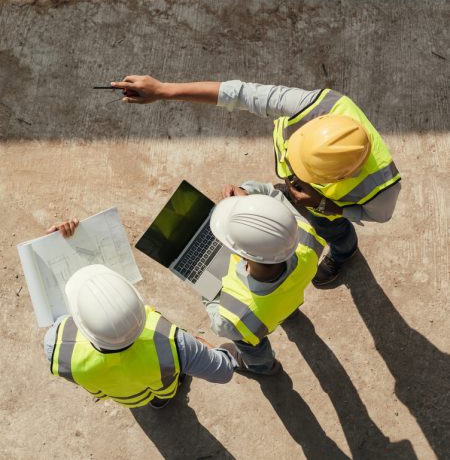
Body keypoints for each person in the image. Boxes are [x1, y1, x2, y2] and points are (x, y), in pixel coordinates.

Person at [110, 75, 401, 285]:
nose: (292, 174)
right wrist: (164, 90)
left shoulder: (382, 188)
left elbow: (378, 217)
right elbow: (240, 93)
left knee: (335, 232)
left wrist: (327, 207)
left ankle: (344, 253)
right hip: (314, 198)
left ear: (340, 175)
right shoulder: (313, 105)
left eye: (303, 173)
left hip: (326, 209)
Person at [45, 220, 238, 409]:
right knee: (163, 391)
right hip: (162, 387)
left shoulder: (56, 346)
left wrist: (55, 247)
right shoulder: (175, 344)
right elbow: (223, 371)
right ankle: (161, 400)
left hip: (124, 396)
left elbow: (57, 313)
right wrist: (204, 349)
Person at [202, 188, 325, 375]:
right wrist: (251, 205)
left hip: (257, 322)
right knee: (283, 304)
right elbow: (273, 197)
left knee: (251, 345)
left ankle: (263, 366)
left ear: (237, 253)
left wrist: (207, 291)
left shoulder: (235, 317)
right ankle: (289, 315)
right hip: (286, 301)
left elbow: (220, 325)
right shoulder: (306, 238)